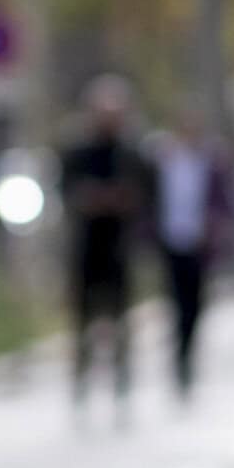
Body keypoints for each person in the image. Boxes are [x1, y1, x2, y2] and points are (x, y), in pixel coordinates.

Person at [58, 76, 151, 412]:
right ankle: (80, 383)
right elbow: (66, 193)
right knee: (82, 321)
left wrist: (126, 202)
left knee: (121, 321)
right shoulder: (76, 152)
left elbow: (147, 195)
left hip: (119, 249)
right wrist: (90, 199)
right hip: (86, 248)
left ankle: (122, 383)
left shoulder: (132, 153)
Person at [148, 113, 234, 395]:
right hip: (171, 241)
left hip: (199, 244)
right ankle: (178, 354)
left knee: (195, 303)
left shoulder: (212, 163)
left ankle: (187, 352)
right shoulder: (164, 162)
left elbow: (225, 201)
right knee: (175, 300)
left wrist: (215, 228)